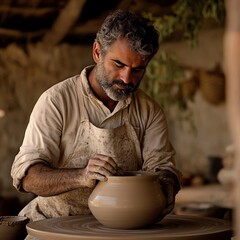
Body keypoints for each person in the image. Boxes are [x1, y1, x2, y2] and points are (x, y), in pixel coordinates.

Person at [11, 9, 182, 239]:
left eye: (138, 69)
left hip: (123, 229)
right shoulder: (57, 101)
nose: (126, 78)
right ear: (97, 52)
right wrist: (81, 176)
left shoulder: (149, 112)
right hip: (55, 224)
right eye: (118, 64)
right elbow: (29, 177)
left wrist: (167, 184)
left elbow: (164, 170)